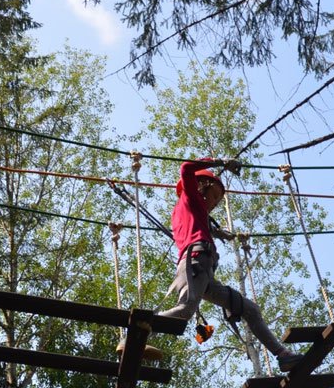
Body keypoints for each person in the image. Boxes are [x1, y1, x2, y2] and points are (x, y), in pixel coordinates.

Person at [118, 157, 304, 372]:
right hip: (195, 262)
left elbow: (197, 225)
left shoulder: (194, 212)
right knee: (185, 309)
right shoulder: (190, 197)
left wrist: (218, 233)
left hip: (205, 273)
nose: (215, 203)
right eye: (214, 196)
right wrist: (221, 162)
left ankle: (282, 355)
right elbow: (186, 168)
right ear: (201, 186)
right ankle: (132, 336)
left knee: (250, 309)